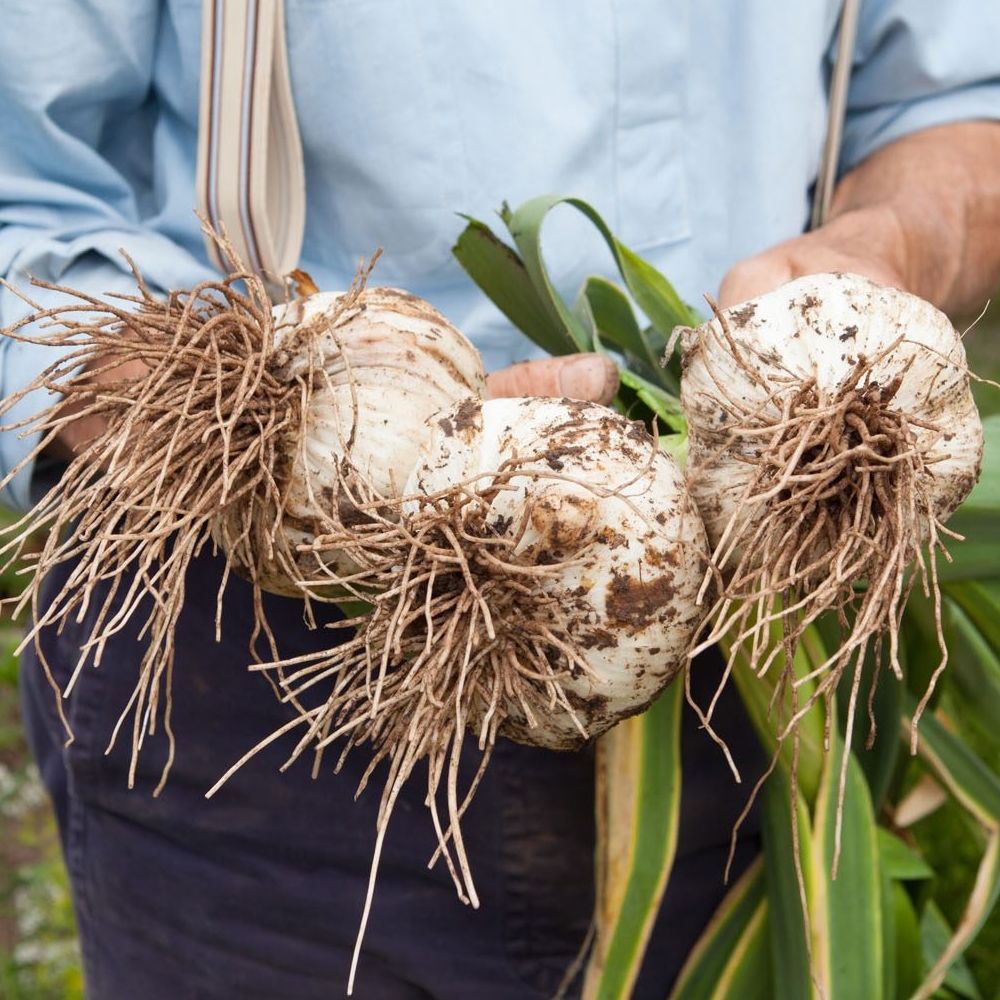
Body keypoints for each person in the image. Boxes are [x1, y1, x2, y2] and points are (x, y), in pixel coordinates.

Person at [2, 2, 1000, 998]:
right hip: (259, 684)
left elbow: (958, 106)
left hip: (767, 653)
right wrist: (276, 430)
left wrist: (876, 262)